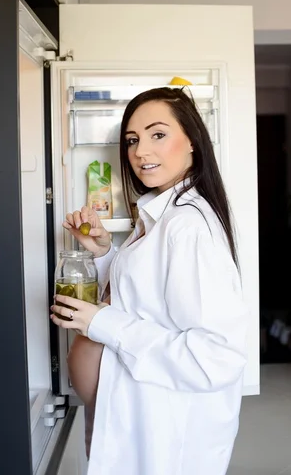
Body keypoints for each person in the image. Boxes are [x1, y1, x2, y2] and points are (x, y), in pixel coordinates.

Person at [51, 87, 249, 475]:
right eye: (132, 140)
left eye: (158, 134)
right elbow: (148, 298)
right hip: (127, 414)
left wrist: (99, 323)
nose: (141, 151)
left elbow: (213, 357)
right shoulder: (163, 214)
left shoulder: (187, 227)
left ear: (192, 140)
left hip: (165, 436)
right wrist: (104, 252)